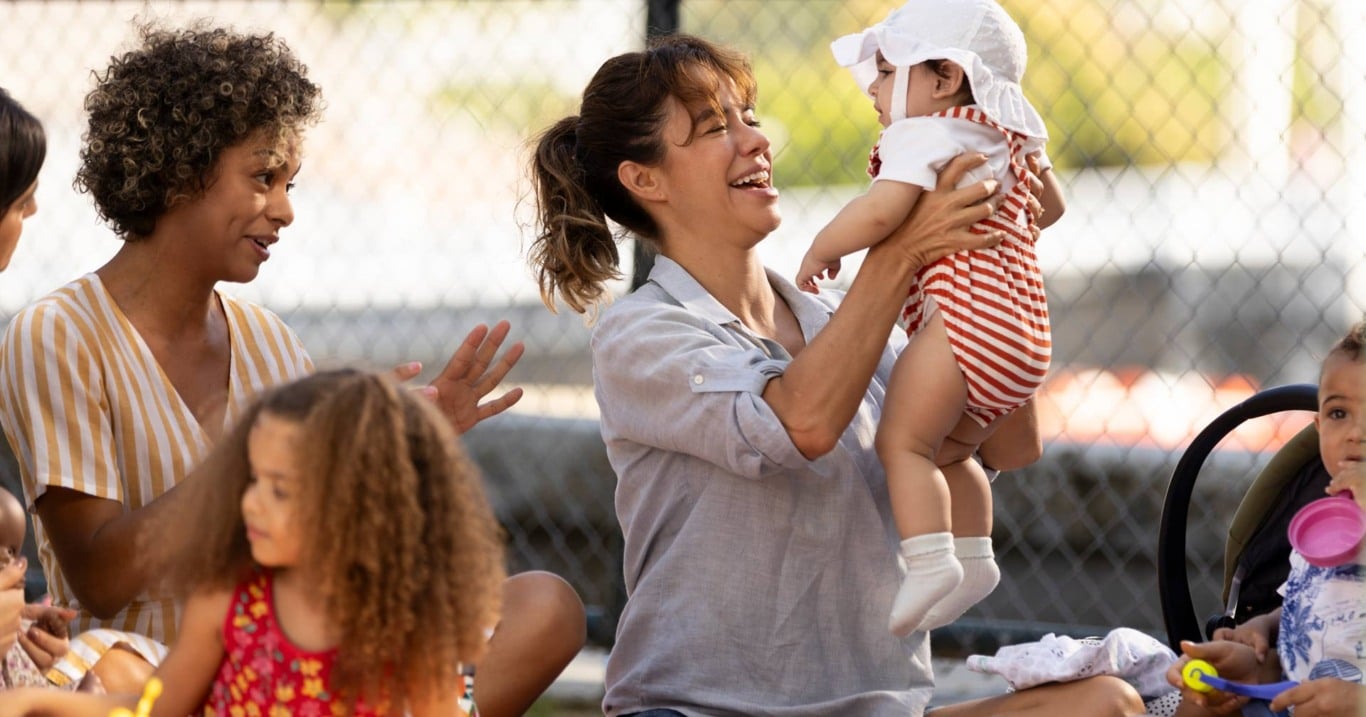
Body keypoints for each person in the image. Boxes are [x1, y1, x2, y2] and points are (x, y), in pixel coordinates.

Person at [528, 32, 1143, 717]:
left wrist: (993, 262)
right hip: (698, 708)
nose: (755, 142)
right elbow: (802, 422)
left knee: (1108, 702)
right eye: (714, 128)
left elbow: (1010, 446)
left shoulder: (843, 319)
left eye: (750, 119)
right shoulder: (641, 334)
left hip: (879, 707)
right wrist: (903, 246)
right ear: (644, 179)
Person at [0, 24, 582, 715]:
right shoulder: (58, 332)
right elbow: (100, 575)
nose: (286, 209)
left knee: (548, 604)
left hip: (285, 657)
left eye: (290, 182)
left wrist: (385, 453)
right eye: (263, 178)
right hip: (139, 671)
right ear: (179, 170)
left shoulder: (269, 340)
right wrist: (268, 454)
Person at [0, 369, 509, 715]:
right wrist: (44, 704)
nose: (252, 503)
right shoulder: (230, 601)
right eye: (253, 480)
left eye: (280, 490)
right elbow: (158, 703)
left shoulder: (410, 622)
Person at [793, 0, 1067, 637]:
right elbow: (1048, 207)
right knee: (950, 447)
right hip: (1023, 328)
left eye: (888, 72)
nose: (877, 90)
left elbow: (882, 213)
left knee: (902, 443)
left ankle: (929, 562)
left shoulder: (927, 133)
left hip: (964, 325)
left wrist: (823, 247)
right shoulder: (1009, 131)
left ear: (944, 78)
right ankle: (974, 559)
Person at [1164, 320, 1365, 717]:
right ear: (1319, 426)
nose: (1357, 433)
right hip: (1289, 691)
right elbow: (1313, 599)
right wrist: (1266, 631)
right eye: (1339, 413)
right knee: (1200, 701)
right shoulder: (1318, 524)